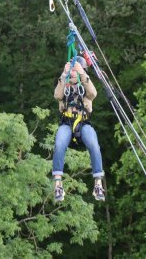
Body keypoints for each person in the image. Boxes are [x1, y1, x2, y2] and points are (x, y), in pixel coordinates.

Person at [52, 56, 105, 202]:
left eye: (76, 71)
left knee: (94, 144)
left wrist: (82, 73)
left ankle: (98, 183)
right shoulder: (64, 85)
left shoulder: (86, 86)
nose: (73, 73)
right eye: (73, 71)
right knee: (59, 144)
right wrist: (64, 74)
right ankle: (58, 184)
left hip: (83, 123)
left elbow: (93, 93)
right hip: (67, 123)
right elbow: (57, 95)